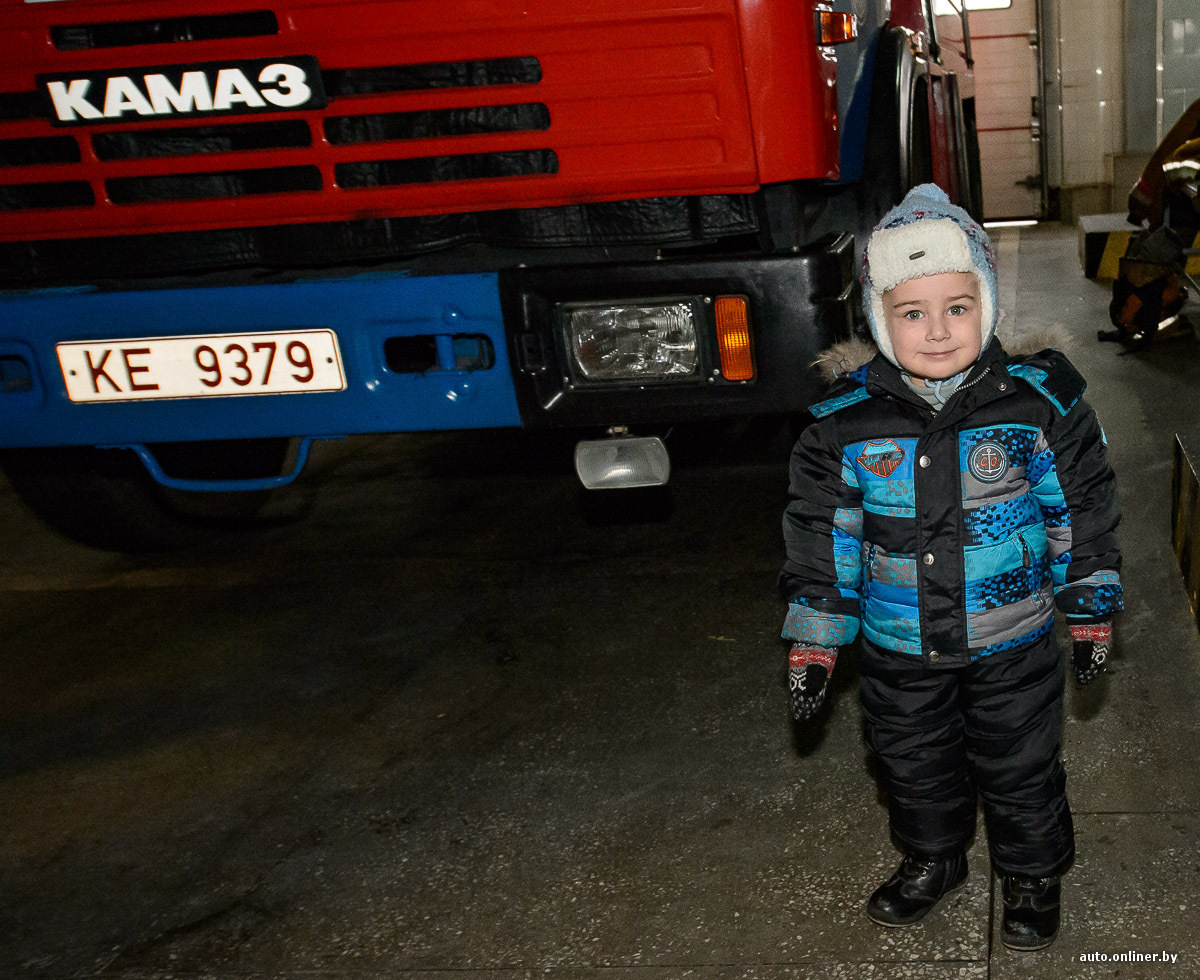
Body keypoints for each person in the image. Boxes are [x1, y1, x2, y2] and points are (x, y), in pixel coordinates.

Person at [779, 184, 1123, 951]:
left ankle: (1031, 873)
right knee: (911, 764)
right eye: (911, 312)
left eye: (957, 307)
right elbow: (820, 540)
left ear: (989, 302)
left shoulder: (1039, 408)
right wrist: (815, 637)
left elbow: (1083, 513)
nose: (937, 331)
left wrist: (1092, 605)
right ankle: (934, 859)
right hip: (898, 651)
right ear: (878, 318)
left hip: (1014, 643)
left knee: (1021, 766)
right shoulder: (843, 428)